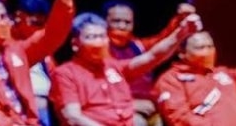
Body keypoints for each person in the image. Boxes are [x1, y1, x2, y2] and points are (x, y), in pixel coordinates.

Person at [49, 12, 201, 126]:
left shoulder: (114, 66)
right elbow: (73, 117)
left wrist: (181, 34)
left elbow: (153, 56)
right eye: (91, 37)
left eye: (102, 36)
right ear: (75, 43)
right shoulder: (65, 73)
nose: (98, 42)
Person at [0, 0, 76, 126]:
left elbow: (51, 36)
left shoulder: (17, 51)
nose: (0, 21)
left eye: (3, 16)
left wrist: (65, 2)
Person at [103, 0, 196, 126]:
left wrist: (181, 19)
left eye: (127, 22)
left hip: (149, 107)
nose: (122, 26)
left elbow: (164, 40)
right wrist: (129, 104)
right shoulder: (97, 51)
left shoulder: (139, 46)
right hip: (116, 109)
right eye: (116, 21)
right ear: (105, 21)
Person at [152, 30, 236, 125]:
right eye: (200, 48)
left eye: (210, 46)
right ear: (182, 53)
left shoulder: (222, 73)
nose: (207, 52)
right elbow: (178, 116)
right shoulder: (170, 79)